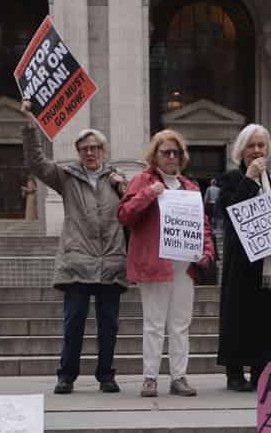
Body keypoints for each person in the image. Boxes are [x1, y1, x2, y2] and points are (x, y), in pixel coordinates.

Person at [21, 110, 128, 394]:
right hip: (77, 263)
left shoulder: (117, 181)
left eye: (94, 148)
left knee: (109, 325)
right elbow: (36, 163)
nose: (90, 153)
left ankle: (106, 375)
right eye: (84, 149)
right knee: (74, 324)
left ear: (103, 150)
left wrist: (124, 188)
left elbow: (133, 211)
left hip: (111, 263)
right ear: (78, 153)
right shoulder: (66, 177)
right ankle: (66, 375)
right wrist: (31, 127)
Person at [117, 129, 214, 398]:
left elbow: (203, 225)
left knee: (181, 324)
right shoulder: (143, 180)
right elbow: (124, 215)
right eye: (166, 152)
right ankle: (150, 377)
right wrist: (149, 193)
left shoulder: (191, 187)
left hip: (185, 267)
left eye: (176, 152)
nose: (171, 157)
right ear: (155, 155)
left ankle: (179, 377)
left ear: (182, 157)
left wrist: (207, 252)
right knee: (154, 324)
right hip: (154, 264)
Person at [216, 124, 271, 390]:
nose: (257, 150)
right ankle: (235, 373)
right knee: (238, 316)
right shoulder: (231, 179)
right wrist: (248, 179)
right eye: (251, 146)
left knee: (266, 319)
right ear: (241, 150)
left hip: (269, 265)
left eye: (261, 145)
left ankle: (262, 370)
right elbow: (230, 213)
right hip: (241, 264)